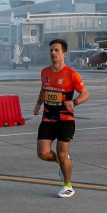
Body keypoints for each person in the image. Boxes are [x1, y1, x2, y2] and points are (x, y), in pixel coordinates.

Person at [33, 39, 89, 198]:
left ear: (64, 54)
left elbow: (85, 93)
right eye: (51, 50)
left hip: (65, 120)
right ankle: (61, 162)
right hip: (48, 119)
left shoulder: (71, 74)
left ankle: (68, 186)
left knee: (62, 153)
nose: (53, 53)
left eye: (56, 50)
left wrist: (75, 102)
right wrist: (38, 104)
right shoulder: (44, 72)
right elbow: (43, 90)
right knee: (42, 153)